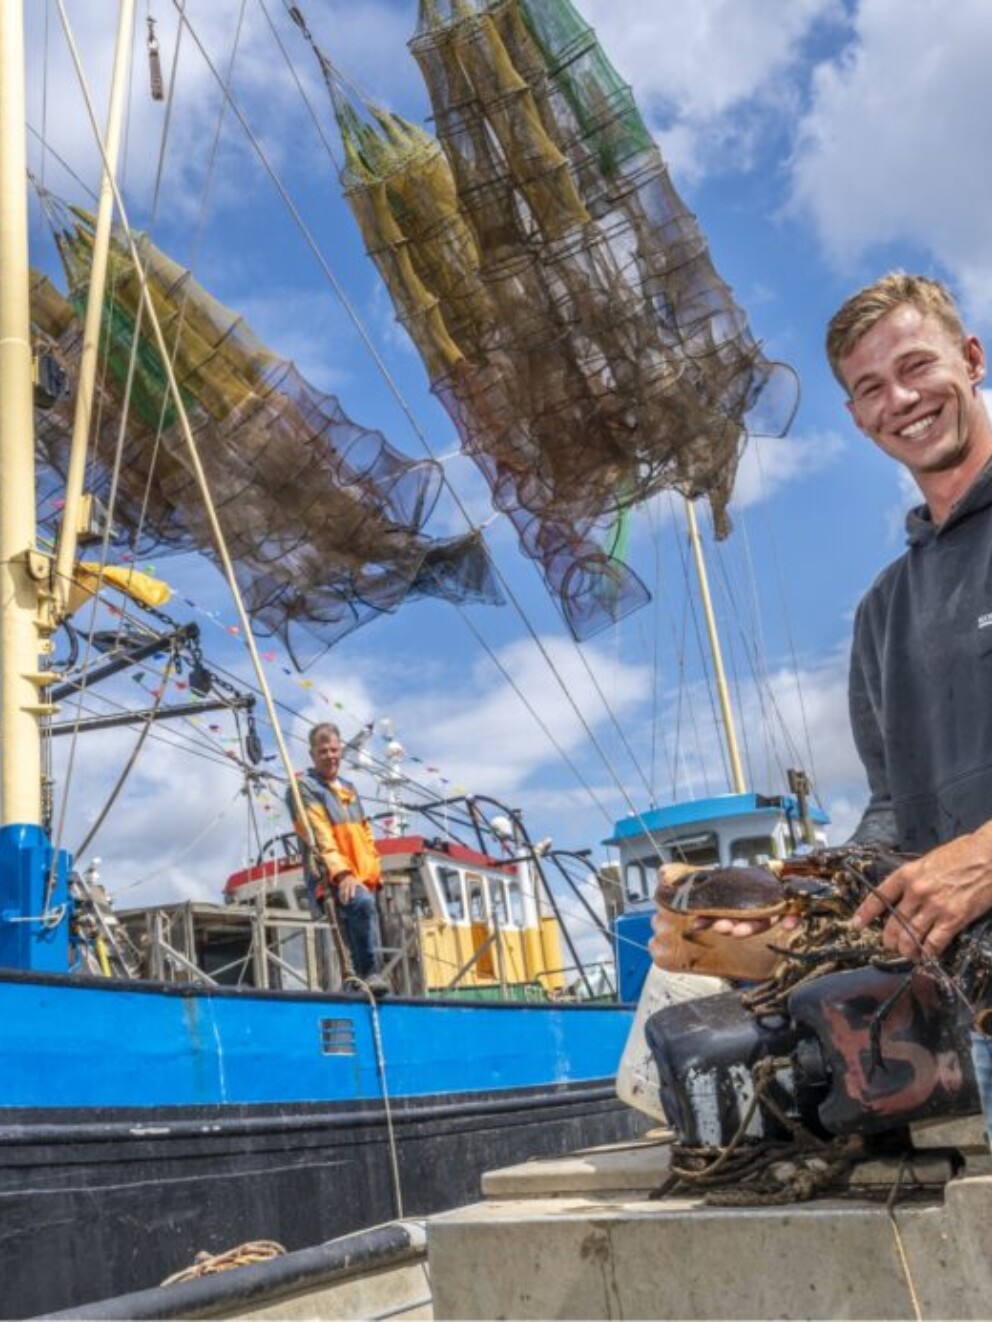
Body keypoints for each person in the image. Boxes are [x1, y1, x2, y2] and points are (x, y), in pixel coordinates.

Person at [825, 272, 992, 1138]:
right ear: (858, 418)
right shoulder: (881, 613)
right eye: (871, 388)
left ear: (971, 358)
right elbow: (894, 810)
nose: (903, 399)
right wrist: (782, 910)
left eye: (917, 366)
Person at [288, 722, 387, 991]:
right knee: (362, 905)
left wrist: (373, 869)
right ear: (312, 755)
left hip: (361, 874)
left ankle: (358, 984)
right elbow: (318, 834)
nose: (330, 756)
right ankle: (367, 975)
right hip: (331, 877)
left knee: (366, 920)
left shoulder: (349, 787)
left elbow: (366, 832)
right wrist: (342, 873)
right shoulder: (304, 787)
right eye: (323, 751)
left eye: (334, 750)